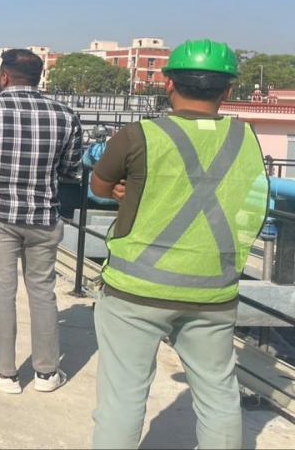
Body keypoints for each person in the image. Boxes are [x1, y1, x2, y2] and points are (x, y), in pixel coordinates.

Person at [89, 40, 268, 449]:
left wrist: (118, 190)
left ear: (168, 83)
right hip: (213, 289)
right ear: (228, 90)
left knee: (123, 396)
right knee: (219, 396)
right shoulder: (247, 138)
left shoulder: (139, 135)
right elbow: (254, 202)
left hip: (134, 289)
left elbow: (99, 185)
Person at [0, 48, 81, 394]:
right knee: (43, 292)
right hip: (43, 216)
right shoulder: (65, 114)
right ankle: (47, 373)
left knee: (1, 294)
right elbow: (71, 170)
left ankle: (6, 375)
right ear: (39, 77)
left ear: (4, 76)